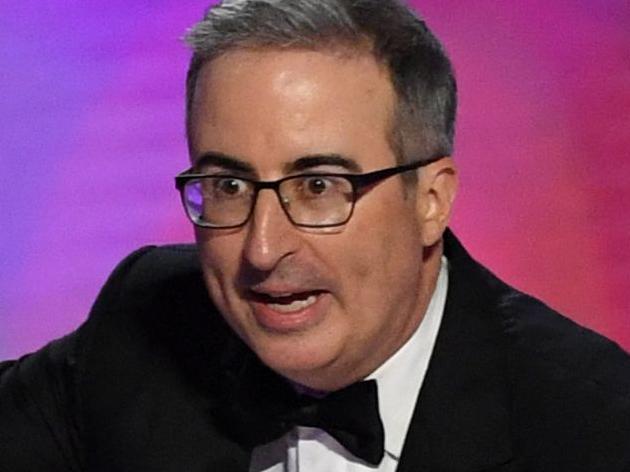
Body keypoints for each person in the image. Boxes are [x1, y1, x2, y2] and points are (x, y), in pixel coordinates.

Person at [1, 0, 629, 470]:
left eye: (320, 186)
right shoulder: (147, 323)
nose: (263, 249)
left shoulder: (592, 426)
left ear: (432, 201)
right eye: (228, 186)